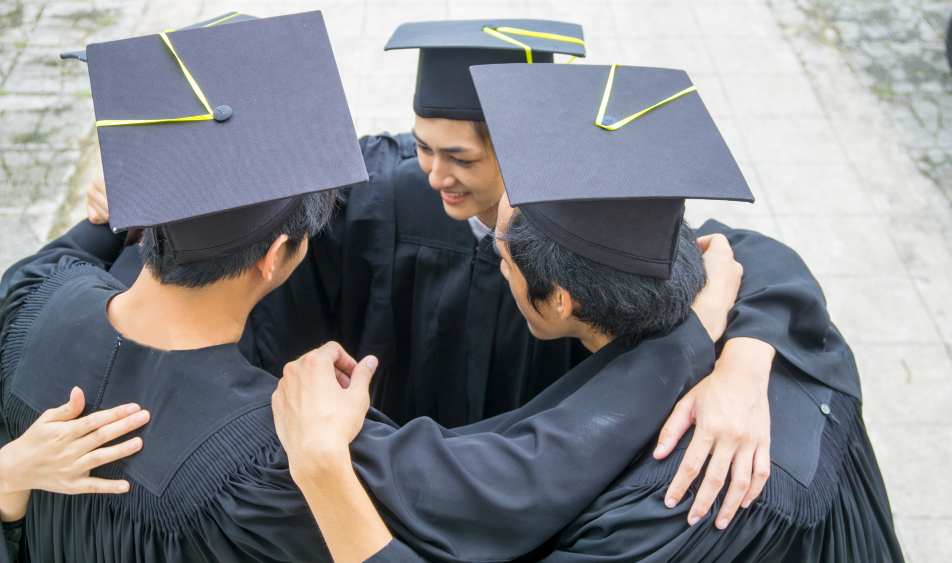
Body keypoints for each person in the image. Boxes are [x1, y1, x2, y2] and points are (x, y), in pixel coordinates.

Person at [0, 13, 742, 563]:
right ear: (279, 257)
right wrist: (689, 346)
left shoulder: (33, 307)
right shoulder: (275, 457)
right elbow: (503, 478)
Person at [92, 17, 848, 524]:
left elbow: (753, 261)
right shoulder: (391, 187)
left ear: (523, 151)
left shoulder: (589, 217)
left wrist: (746, 362)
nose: (435, 175)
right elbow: (260, 191)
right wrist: (145, 185)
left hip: (539, 480)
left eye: (461, 157)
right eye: (424, 144)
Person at [268, 62, 903, 562]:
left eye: (505, 258)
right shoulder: (792, 335)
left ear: (560, 301)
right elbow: (758, 258)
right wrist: (743, 349)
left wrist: (324, 460)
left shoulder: (675, 497)